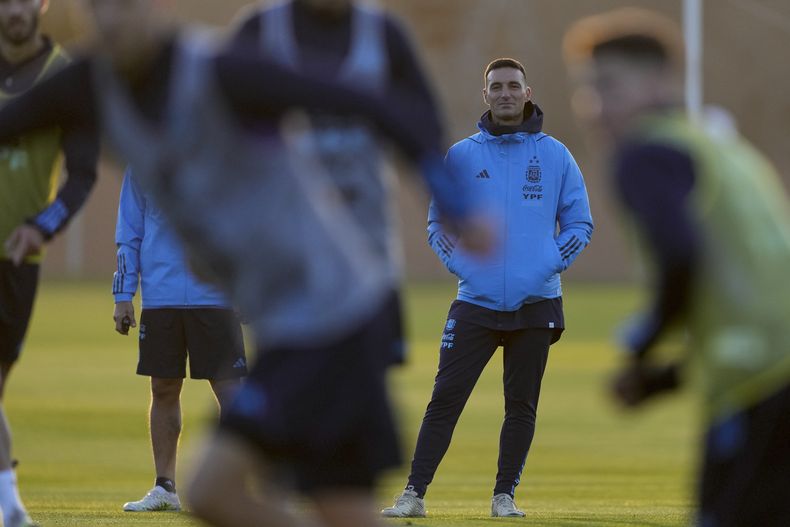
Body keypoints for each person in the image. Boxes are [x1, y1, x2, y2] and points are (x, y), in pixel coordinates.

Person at [0, 1, 491, 525]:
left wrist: (456, 202)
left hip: (336, 311)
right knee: (331, 507)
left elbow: (369, 103)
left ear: (159, 8)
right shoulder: (84, 85)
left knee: (213, 486)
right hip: (288, 326)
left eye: (126, 5)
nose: (112, 20)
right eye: (98, 7)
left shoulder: (220, 72)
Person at [563, 8, 790, 527]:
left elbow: (680, 254)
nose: (596, 107)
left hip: (764, 392)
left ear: (658, 83)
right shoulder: (722, 151)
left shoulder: (645, 154)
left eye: (611, 87)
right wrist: (664, 379)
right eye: (588, 90)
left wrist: (644, 341)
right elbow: (748, 302)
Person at [383, 57, 593, 519]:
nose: (504, 93)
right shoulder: (461, 155)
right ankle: (413, 495)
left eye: (512, 85)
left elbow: (579, 222)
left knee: (520, 405)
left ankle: (504, 497)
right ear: (485, 95)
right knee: (444, 399)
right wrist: (462, 265)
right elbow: (439, 222)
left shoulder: (555, 155)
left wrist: (548, 263)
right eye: (496, 86)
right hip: (474, 301)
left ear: (527, 92)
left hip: (537, 301)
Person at [230, 0, 443, 367]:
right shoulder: (261, 30)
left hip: (367, 245)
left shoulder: (383, 35)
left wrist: (451, 199)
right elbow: (222, 124)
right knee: (293, 373)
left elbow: (424, 128)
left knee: (367, 376)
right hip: (289, 248)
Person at [0, 0, 98, 525]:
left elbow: (82, 176)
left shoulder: (64, 78)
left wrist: (42, 225)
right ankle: (10, 505)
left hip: (19, 258)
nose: (14, 9)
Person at [111, 167, 247, 512]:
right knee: (163, 388)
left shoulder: (220, 150)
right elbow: (129, 232)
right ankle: (165, 487)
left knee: (231, 390)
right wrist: (123, 294)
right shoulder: (141, 161)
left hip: (216, 295)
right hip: (160, 297)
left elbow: (247, 223)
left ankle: (241, 483)